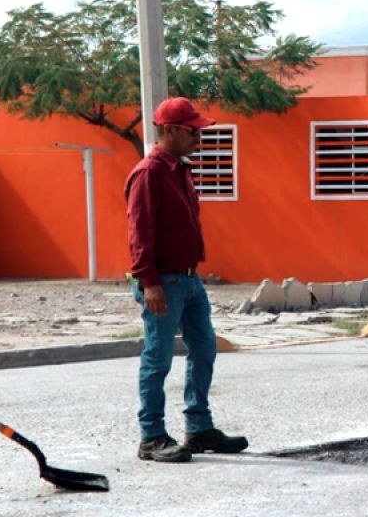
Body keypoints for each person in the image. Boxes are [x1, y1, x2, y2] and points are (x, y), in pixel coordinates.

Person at [125, 97, 248, 463]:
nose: (199, 137)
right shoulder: (149, 173)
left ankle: (198, 428)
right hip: (162, 281)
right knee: (158, 358)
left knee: (205, 348)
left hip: (189, 279)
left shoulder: (180, 169)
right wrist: (150, 283)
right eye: (193, 131)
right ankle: (151, 436)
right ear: (169, 131)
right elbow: (139, 232)